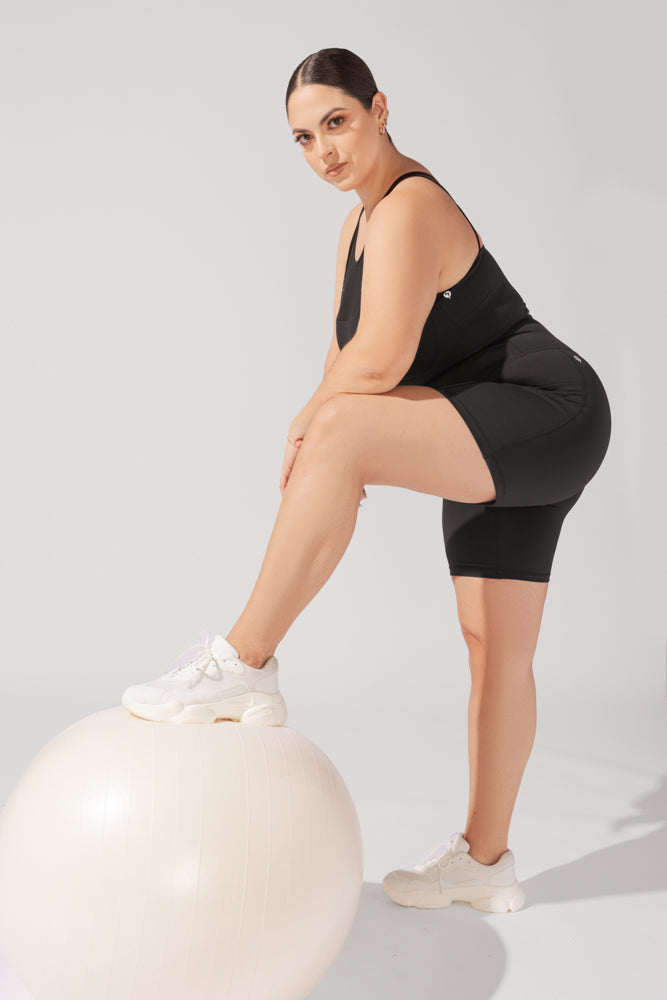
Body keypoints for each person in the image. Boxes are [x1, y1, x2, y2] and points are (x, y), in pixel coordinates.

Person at [122, 48, 612, 912]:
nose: (324, 151)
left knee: (342, 426)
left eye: (337, 123)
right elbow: (344, 358)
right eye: (304, 138)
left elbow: (380, 362)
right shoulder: (357, 227)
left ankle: (243, 661)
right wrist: (322, 434)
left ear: (379, 110)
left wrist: (314, 425)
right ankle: (485, 862)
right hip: (480, 422)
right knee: (493, 647)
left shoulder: (410, 205)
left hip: (545, 408)